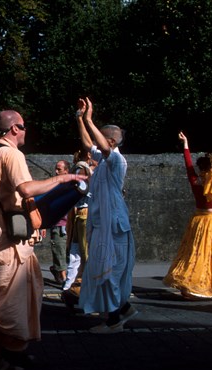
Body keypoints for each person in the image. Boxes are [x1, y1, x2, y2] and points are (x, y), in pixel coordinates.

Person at [0, 111, 86, 370]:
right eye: (24, 126)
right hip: (10, 243)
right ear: (15, 129)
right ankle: (2, 355)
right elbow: (26, 189)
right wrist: (63, 179)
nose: (27, 131)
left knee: (0, 300)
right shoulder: (12, 154)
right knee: (10, 305)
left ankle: (3, 354)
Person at [75, 97, 138, 334]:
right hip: (104, 225)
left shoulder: (116, 160)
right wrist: (80, 119)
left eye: (101, 138)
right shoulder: (101, 162)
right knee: (104, 269)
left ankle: (114, 320)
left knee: (112, 271)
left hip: (114, 226)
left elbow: (100, 146)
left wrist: (90, 119)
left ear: (110, 141)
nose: (96, 144)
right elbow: (86, 143)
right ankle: (124, 309)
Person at [163, 124, 212, 299]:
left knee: (193, 251)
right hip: (210, 220)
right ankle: (195, 285)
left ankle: (187, 284)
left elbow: (188, 164)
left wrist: (186, 144)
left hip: (197, 219)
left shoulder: (195, 180)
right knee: (205, 253)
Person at [61, 150, 94, 310]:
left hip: (78, 214)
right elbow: (84, 188)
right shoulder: (83, 169)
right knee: (85, 255)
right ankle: (78, 292)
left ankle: (68, 289)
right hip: (85, 214)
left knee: (75, 254)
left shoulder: (78, 168)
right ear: (88, 155)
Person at [49, 160, 70, 284]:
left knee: (69, 255)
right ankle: (63, 280)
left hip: (70, 225)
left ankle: (58, 271)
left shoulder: (72, 186)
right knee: (60, 253)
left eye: (59, 169)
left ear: (66, 171)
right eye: (56, 169)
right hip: (58, 225)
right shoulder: (53, 186)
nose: (56, 172)